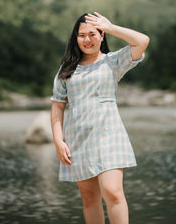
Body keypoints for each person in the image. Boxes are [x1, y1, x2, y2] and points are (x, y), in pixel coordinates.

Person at [50, 12, 150, 224]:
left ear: (102, 36)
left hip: (109, 134)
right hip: (78, 137)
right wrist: (58, 141)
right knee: (89, 198)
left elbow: (142, 41)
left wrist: (111, 26)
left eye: (93, 34)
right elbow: (58, 107)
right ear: (75, 39)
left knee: (113, 191)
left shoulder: (112, 61)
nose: (87, 40)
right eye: (82, 35)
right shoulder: (66, 70)